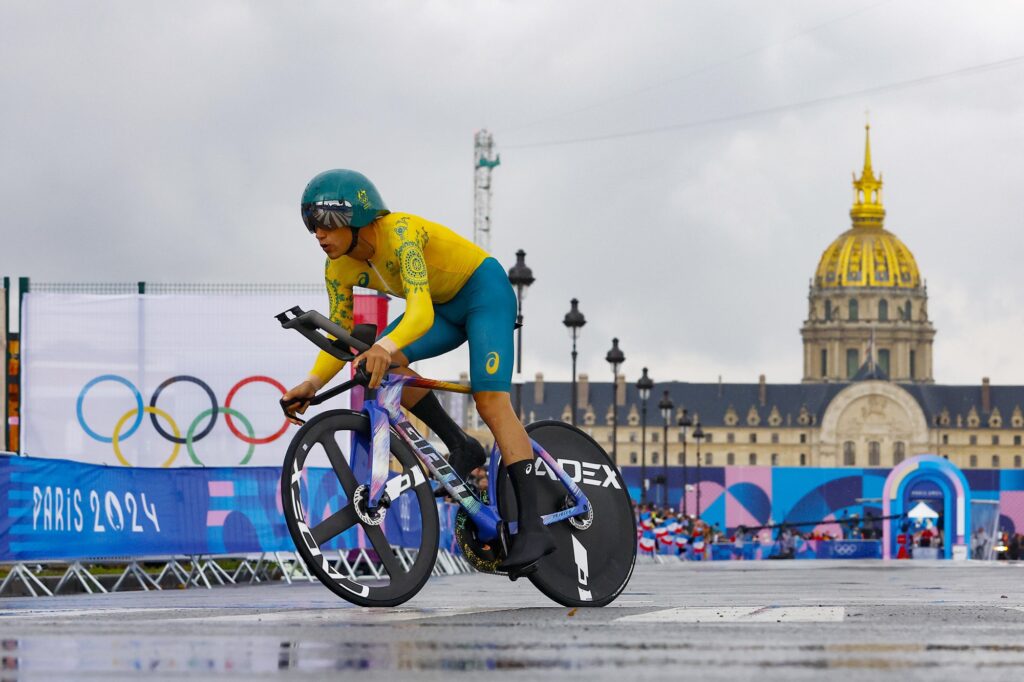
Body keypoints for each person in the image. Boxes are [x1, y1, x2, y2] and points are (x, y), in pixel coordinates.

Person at [281, 169, 555, 576]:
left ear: (356, 217)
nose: (318, 234)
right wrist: (312, 383)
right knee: (382, 365)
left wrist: (383, 346)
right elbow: (340, 333)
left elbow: (420, 312)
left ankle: (534, 526)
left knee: (489, 401)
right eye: (312, 226)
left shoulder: (400, 233)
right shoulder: (336, 267)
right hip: (443, 309)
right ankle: (460, 445)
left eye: (325, 223)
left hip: (483, 294)